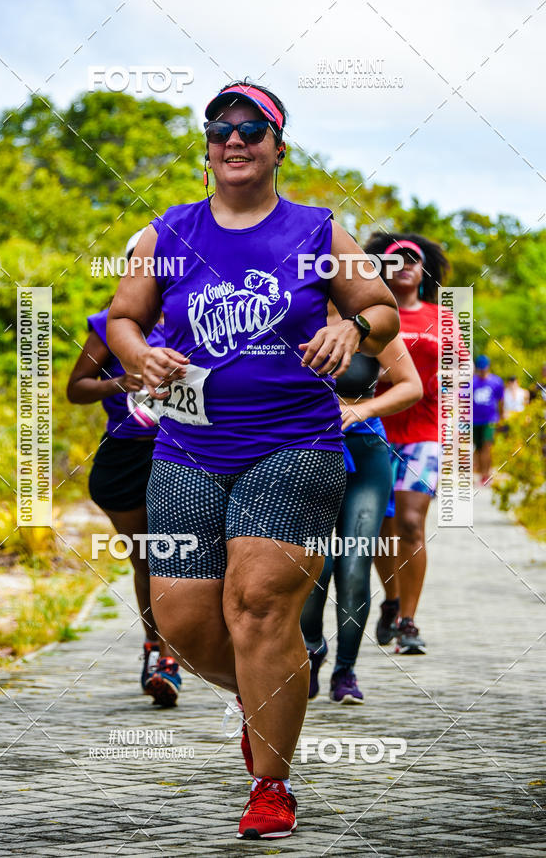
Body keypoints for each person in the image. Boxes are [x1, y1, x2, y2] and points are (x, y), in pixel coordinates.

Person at [107, 81, 400, 839]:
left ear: (277, 145)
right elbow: (122, 319)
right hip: (185, 447)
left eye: (250, 127)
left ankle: (271, 782)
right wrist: (141, 356)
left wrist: (354, 329)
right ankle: (271, 694)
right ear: (207, 148)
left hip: (292, 443)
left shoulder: (316, 229)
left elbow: (382, 307)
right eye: (219, 128)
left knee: (261, 605)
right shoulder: (164, 234)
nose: (233, 139)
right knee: (183, 620)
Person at [66, 231, 181, 707]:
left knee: (183, 559)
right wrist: (120, 381)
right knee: (149, 561)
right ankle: (156, 649)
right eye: (140, 261)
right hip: (125, 456)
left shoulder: (194, 315)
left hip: (186, 451)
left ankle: (176, 659)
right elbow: (77, 388)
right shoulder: (107, 323)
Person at [300, 301, 422, 704]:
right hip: (302, 451)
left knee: (354, 564)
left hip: (365, 449)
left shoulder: (370, 323)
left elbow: (411, 384)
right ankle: (311, 650)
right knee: (316, 564)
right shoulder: (286, 310)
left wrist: (364, 408)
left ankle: (346, 671)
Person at [365, 233, 450, 656]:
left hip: (425, 433)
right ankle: (392, 599)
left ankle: (408, 622)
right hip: (375, 430)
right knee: (382, 528)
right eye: (395, 260)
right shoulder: (367, 315)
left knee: (411, 524)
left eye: (414, 259)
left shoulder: (444, 318)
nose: (405, 266)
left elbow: (458, 379)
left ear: (424, 268)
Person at [472, 355, 504, 486]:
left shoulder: (496, 382)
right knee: (478, 448)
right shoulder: (471, 382)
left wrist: (501, 417)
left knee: (487, 446)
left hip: (490, 419)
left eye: (483, 369)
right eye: (480, 369)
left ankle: (486, 474)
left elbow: (500, 401)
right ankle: (478, 473)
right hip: (474, 420)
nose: (482, 372)